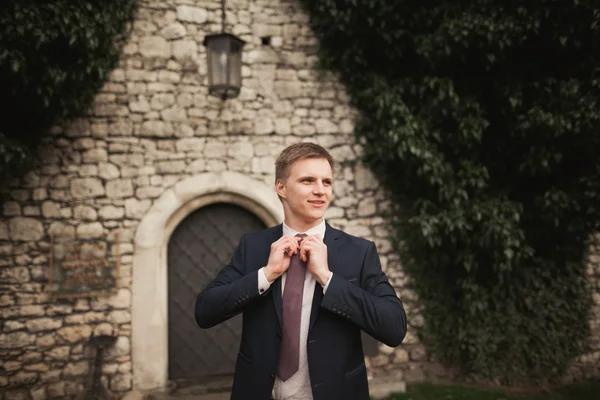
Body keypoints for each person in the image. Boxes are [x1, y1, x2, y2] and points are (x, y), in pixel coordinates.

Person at [195, 142, 407, 400]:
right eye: (308, 180)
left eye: (327, 182)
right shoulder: (253, 246)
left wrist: (328, 279)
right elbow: (205, 311)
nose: (320, 191)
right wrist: (266, 274)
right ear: (281, 188)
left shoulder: (359, 252)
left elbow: (394, 328)